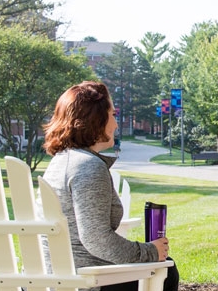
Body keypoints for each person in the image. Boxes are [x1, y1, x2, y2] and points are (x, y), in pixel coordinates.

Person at [42, 81, 180, 291]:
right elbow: (96, 240)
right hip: (87, 282)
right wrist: (150, 252)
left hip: (59, 277)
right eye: (113, 114)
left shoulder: (60, 162)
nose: (116, 124)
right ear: (96, 119)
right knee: (166, 271)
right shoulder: (87, 167)